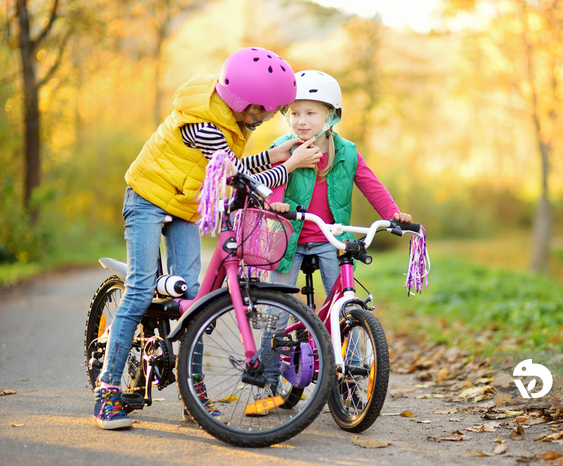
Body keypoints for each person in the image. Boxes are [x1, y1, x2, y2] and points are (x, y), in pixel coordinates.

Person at [93, 47, 322, 430]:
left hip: (184, 205)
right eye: (260, 110)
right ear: (240, 99)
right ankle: (107, 391)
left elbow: (231, 167)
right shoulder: (205, 124)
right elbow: (237, 183)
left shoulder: (229, 118)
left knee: (193, 300)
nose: (264, 117)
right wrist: (289, 165)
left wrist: (273, 154)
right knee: (139, 290)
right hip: (148, 197)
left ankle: (191, 393)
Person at [261, 70, 412, 400]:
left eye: (311, 113)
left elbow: (371, 185)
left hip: (330, 237)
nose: (302, 121)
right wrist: (275, 204)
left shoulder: (346, 152)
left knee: (344, 305)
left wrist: (393, 214)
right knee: (276, 308)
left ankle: (350, 377)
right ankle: (267, 378)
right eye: (295, 113)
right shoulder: (283, 147)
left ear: (331, 115)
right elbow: (274, 182)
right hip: (288, 239)